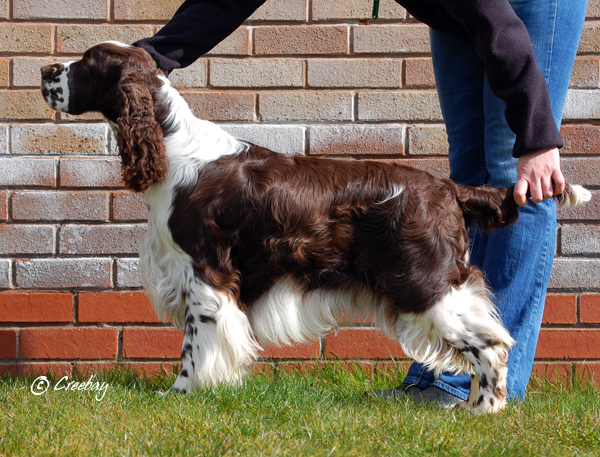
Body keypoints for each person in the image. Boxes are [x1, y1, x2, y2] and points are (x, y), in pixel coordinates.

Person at [133, 0, 588, 406]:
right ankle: (453, 374)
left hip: (520, 8)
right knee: (468, 171)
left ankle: (490, 379)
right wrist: (154, 57)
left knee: (519, 171)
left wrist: (538, 137)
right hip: (457, 12)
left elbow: (497, 23)